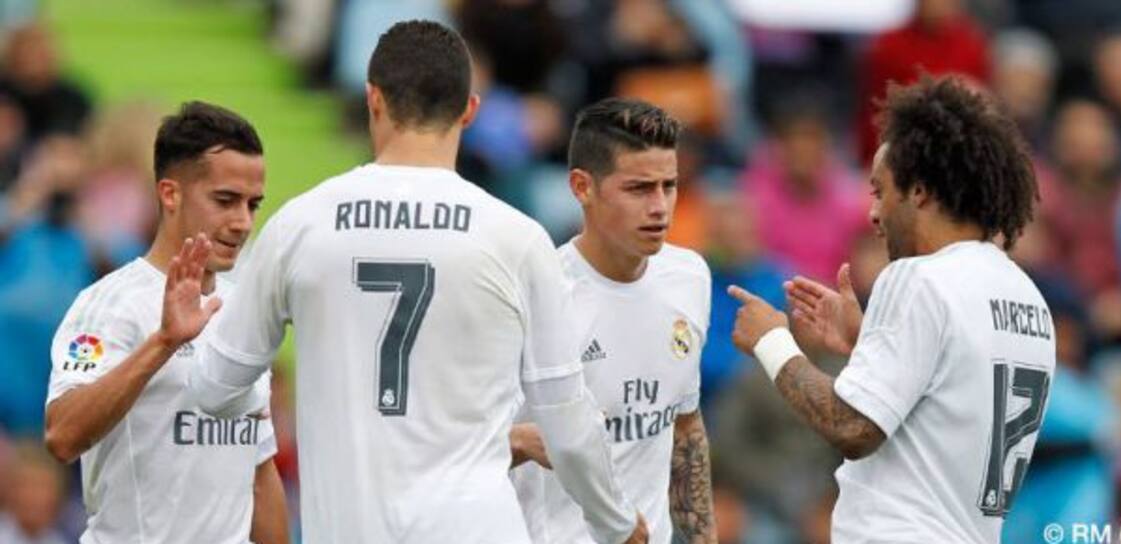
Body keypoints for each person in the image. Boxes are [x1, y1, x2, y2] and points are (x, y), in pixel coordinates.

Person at [185, 20, 646, 544]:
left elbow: (213, 389)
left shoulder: (300, 225)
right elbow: (565, 417)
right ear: (469, 109)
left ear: (373, 99)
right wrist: (616, 523)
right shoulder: (516, 237)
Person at [727, 75, 1055, 543]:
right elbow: (950, 398)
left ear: (918, 191)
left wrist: (772, 341)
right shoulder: (1028, 298)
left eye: (880, 191)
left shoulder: (918, 278)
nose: (873, 213)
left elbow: (852, 426)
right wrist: (869, 342)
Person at [41, 101, 288, 544]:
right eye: (225, 200)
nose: (242, 222)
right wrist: (164, 342)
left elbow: (258, 470)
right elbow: (62, 435)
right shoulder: (109, 305)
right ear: (170, 194)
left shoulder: (244, 309)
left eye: (253, 205)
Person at [510, 98, 716, 544]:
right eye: (639, 189)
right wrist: (520, 442)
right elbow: (463, 445)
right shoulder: (538, 296)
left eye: (669, 185)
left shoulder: (689, 277)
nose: (660, 207)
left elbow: (684, 426)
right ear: (582, 187)